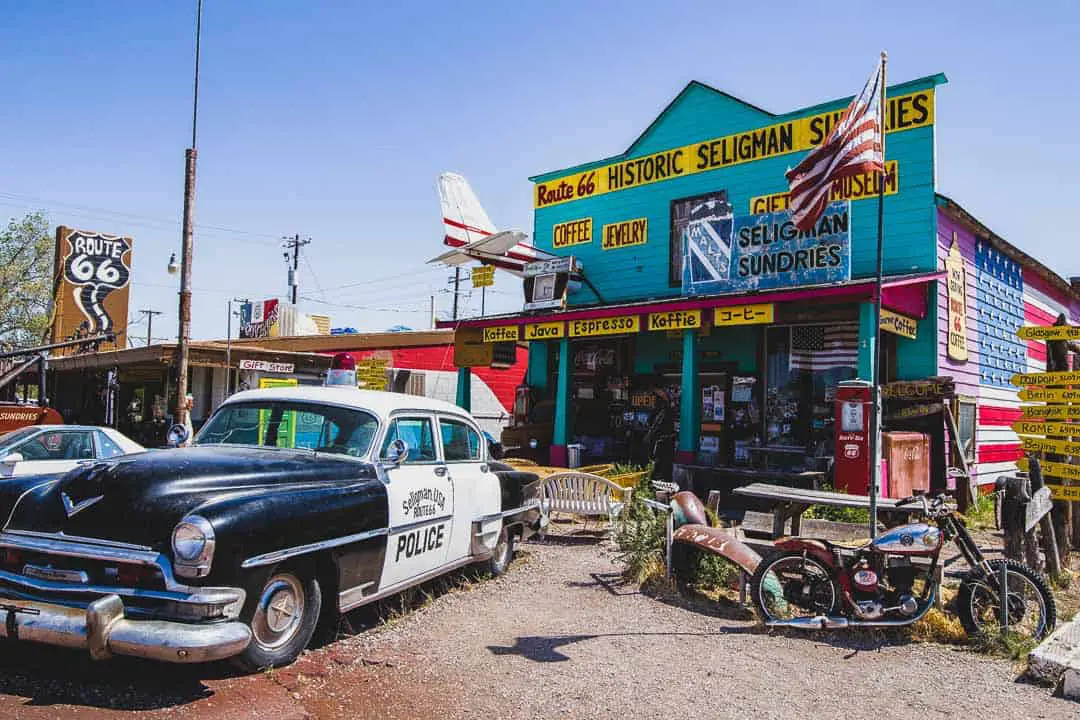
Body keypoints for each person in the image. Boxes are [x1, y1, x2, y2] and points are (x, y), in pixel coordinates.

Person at [645, 387, 676, 482]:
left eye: (655, 398)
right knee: (658, 466)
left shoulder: (664, 411)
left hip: (663, 444)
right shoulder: (657, 411)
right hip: (659, 443)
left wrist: (649, 437)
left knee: (662, 467)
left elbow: (656, 427)